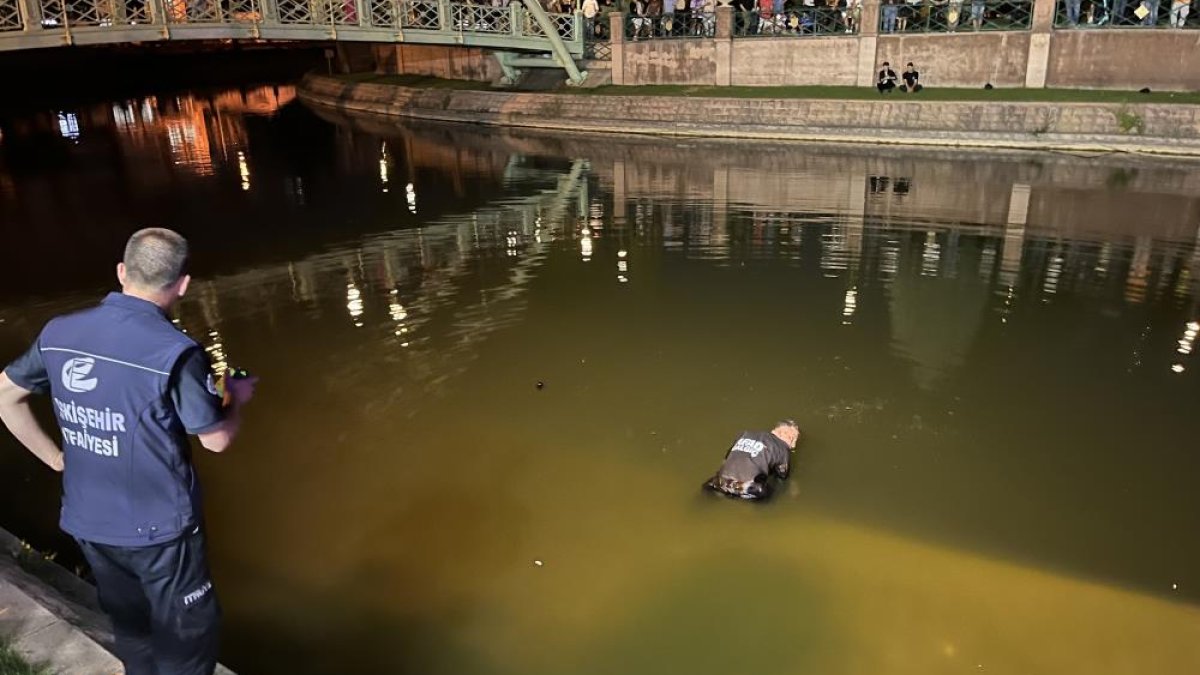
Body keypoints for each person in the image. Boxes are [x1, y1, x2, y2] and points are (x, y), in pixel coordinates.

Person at [0, 228, 258, 675]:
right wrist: (234, 395)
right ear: (183, 285)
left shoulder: (58, 333)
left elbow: (5, 396)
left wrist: (57, 459)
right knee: (187, 638)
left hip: (89, 520)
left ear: (122, 272)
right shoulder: (176, 353)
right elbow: (215, 439)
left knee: (132, 631)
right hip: (161, 533)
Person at [703, 420, 802, 500]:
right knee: (769, 491)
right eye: (793, 437)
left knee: (709, 489)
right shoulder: (782, 448)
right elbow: (782, 475)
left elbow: (726, 458)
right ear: (791, 440)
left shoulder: (744, 434)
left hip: (718, 482)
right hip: (746, 488)